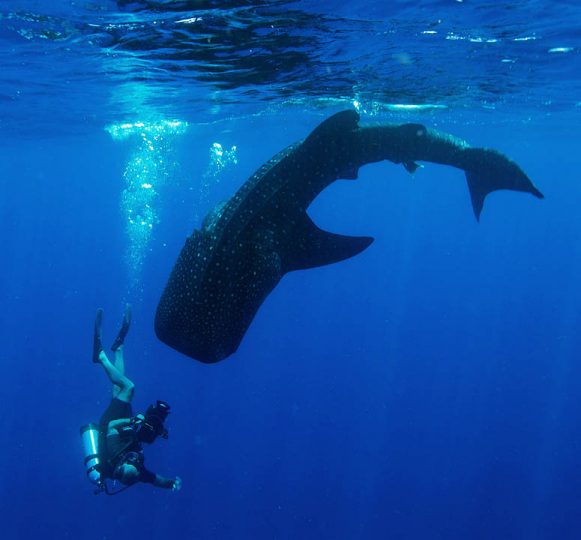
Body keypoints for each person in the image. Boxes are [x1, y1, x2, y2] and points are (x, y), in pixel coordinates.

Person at [92, 304, 181, 492]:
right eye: (136, 462)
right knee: (119, 388)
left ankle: (100, 356)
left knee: (128, 387)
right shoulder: (138, 472)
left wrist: (132, 421)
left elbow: (112, 426)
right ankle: (118, 348)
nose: (134, 458)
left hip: (110, 426)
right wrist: (171, 483)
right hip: (124, 430)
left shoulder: (114, 454)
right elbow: (155, 480)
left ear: (121, 465)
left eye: (130, 460)